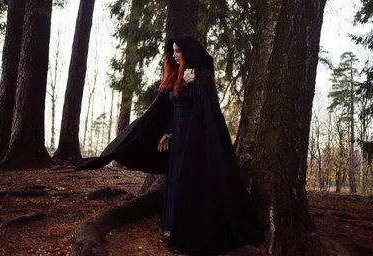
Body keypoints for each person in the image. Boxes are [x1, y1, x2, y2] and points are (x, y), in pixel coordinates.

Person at [76, 35, 264, 255]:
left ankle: (191, 230)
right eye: (172, 51)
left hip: (197, 140)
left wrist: (192, 83)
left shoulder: (201, 76)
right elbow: (173, 110)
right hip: (179, 137)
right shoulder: (175, 76)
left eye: (178, 51)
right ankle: (171, 225)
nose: (174, 55)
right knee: (174, 179)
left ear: (189, 52)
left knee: (190, 181)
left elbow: (205, 109)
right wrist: (168, 132)